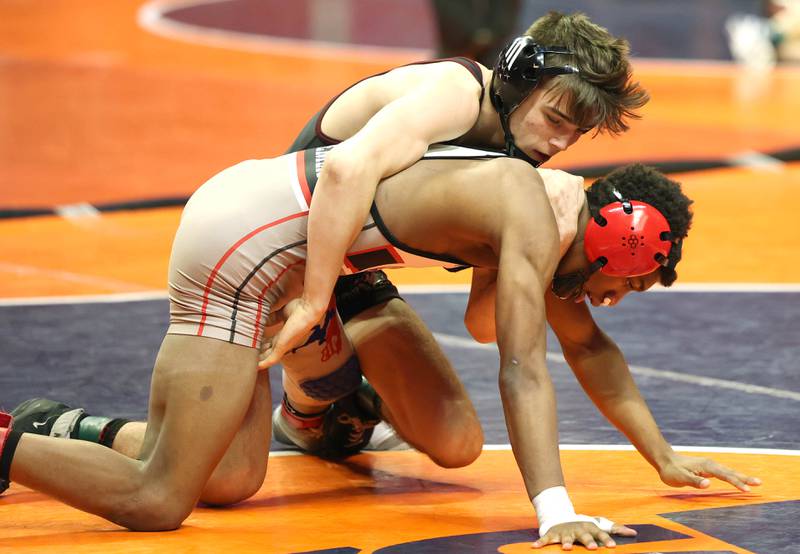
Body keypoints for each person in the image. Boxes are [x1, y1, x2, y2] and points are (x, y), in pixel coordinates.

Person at [0, 145, 761, 549]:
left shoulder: (558, 215)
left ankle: (69, 426)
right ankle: (316, 383)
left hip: (329, 266)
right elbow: (522, 367)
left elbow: (589, 353)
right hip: (254, 251)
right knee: (159, 497)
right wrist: (553, 508)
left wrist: (661, 457)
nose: (609, 302)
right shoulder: (536, 214)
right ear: (615, 246)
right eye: (622, 286)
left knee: (234, 481)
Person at [6, 10, 653, 460]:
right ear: (516, 78)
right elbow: (346, 169)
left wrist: (519, 256)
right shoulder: (455, 93)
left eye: (578, 134)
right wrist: (313, 299)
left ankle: (316, 414)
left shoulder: (517, 159)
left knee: (457, 444)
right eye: (557, 119)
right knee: (221, 474)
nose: (560, 143)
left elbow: (484, 327)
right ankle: (69, 427)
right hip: (294, 253)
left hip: (351, 267)